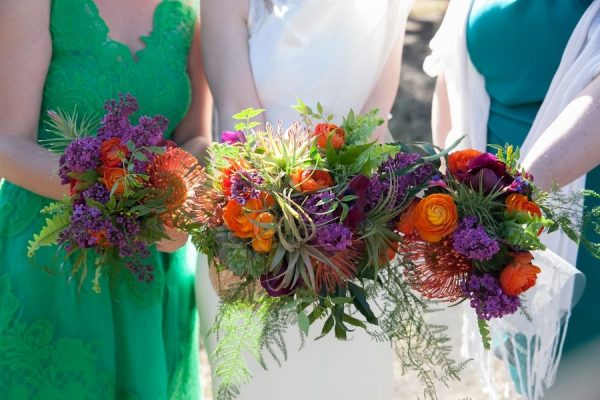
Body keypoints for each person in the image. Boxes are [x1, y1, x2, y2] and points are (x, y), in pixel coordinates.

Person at [198, 0, 414, 398]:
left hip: (352, 243)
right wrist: (282, 224)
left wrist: (337, 229)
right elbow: (239, 119)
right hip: (253, 235)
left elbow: (372, 125)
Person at [0, 0, 212, 398]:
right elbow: (8, 144)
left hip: (151, 264)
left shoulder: (186, 15)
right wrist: (112, 191)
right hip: (52, 264)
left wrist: (180, 197)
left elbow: (196, 136)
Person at [425, 1, 600, 398]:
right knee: (533, 377)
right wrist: (449, 192)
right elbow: (450, 70)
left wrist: (510, 197)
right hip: (498, 223)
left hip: (583, 216)